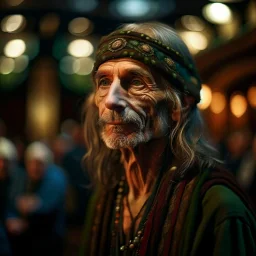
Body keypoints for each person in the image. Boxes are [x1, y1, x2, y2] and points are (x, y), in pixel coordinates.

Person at [81, 22, 256, 256]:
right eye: (104, 82)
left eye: (135, 82)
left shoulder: (219, 208)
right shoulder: (106, 198)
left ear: (180, 105)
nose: (111, 100)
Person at [6, 141, 67, 256]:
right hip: (30, 237)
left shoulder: (56, 177)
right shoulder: (23, 178)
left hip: (50, 238)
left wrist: (33, 205)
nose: (34, 167)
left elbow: (47, 207)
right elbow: (13, 202)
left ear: (46, 164)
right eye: (31, 163)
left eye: (39, 163)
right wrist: (12, 218)